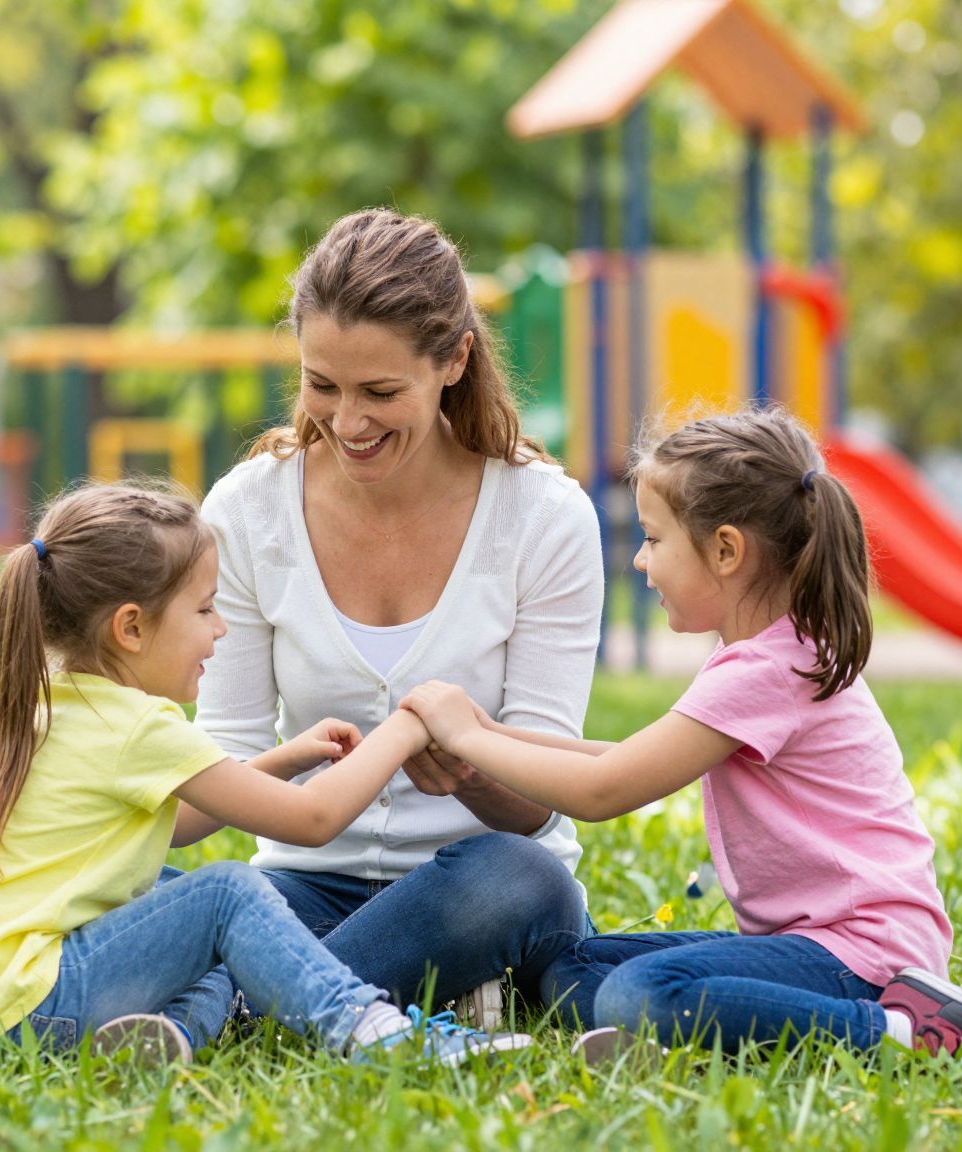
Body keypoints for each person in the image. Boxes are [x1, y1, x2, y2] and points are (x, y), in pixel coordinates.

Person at [0, 483, 529, 1066]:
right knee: (230, 896)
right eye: (206, 609)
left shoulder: (46, 705)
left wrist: (282, 758)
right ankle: (374, 1033)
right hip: (30, 1006)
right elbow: (313, 823)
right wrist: (408, 724)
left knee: (185, 905)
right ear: (130, 628)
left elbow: (171, 826)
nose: (220, 629)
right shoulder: (137, 728)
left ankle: (159, 1038)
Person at [397, 406, 962, 1058]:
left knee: (639, 994)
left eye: (653, 539)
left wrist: (467, 741)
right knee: (575, 970)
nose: (640, 561)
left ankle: (905, 1033)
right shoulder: (764, 652)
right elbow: (630, 758)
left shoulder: (766, 668)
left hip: (867, 953)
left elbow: (602, 790)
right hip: (802, 943)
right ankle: (694, 1040)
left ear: (725, 550)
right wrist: (489, 731)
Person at [183, 208, 605, 1031]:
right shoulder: (246, 511)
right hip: (302, 884)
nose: (347, 423)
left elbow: (541, 804)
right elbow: (225, 752)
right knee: (179, 896)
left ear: (453, 359)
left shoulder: (543, 516)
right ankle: (404, 989)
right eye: (322, 385)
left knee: (524, 881)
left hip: (475, 885)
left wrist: (473, 767)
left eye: (380, 392)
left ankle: (238, 1004)